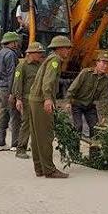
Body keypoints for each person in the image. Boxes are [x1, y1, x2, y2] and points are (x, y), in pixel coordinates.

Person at [27, 35, 74, 178]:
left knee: (36, 136)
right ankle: (49, 170)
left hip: (34, 99)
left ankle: (39, 168)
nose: (68, 51)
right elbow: (48, 81)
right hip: (41, 100)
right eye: (67, 48)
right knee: (46, 135)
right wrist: (48, 99)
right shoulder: (55, 60)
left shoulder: (49, 58)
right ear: (60, 48)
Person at [66, 51, 108, 143]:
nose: (105, 66)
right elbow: (73, 87)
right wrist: (68, 102)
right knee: (78, 127)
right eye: (103, 63)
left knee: (95, 129)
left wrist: (104, 116)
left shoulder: (105, 81)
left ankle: (94, 156)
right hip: (77, 104)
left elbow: (105, 99)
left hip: (89, 106)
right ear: (97, 63)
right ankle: (75, 153)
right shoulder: (86, 73)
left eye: (107, 64)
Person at [12, 41, 45, 159]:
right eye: (38, 53)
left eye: (41, 53)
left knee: (38, 123)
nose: (40, 55)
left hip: (37, 99)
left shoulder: (39, 65)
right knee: (26, 123)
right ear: (30, 53)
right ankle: (20, 148)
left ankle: (36, 147)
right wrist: (18, 99)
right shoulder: (22, 66)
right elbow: (17, 83)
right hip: (26, 99)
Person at [0, 31, 22, 152]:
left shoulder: (0, 54)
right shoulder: (11, 54)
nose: (17, 44)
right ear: (12, 42)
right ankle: (15, 144)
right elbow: (12, 74)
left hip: (1, 89)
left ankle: (0, 143)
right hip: (8, 89)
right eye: (16, 42)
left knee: (4, 115)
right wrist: (13, 93)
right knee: (15, 116)